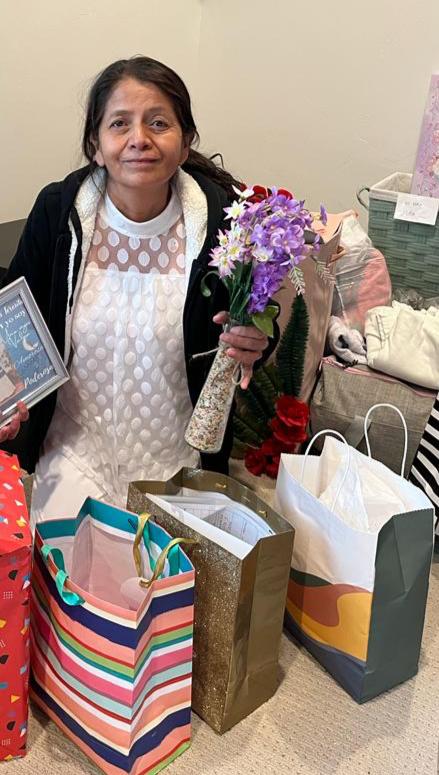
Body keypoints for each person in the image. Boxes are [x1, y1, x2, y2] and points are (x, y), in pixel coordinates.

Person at [2, 56, 272, 524]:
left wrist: (256, 345)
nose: (139, 139)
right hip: (73, 452)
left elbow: (252, 329)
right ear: (96, 143)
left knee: (163, 587)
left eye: (159, 123)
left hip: (177, 466)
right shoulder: (57, 213)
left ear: (185, 143)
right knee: (68, 585)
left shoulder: (223, 225)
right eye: (120, 124)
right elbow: (13, 324)